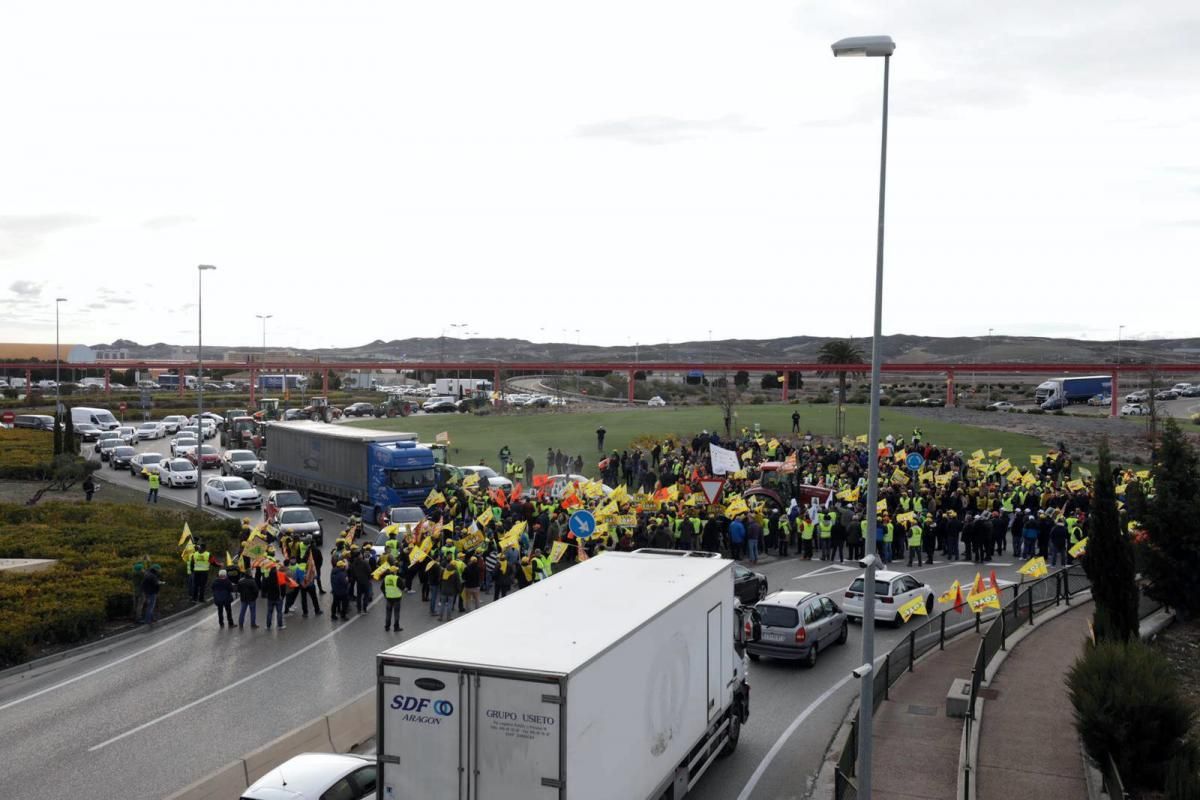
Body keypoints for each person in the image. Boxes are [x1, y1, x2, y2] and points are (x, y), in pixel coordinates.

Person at [382, 564, 404, 632]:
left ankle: (387, 627)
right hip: (396, 598)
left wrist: (385, 594)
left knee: (388, 613)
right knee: (396, 613)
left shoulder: (386, 578)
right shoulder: (397, 578)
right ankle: (396, 627)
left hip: (388, 598)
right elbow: (403, 587)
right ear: (394, 572)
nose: (397, 571)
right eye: (396, 570)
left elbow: (382, 587)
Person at [264, 565, 285, 630]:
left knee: (269, 612)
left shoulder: (267, 578)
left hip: (270, 598)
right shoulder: (280, 577)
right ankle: (280, 625)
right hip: (278, 597)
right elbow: (283, 587)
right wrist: (283, 596)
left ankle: (268, 626)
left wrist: (266, 594)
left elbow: (264, 588)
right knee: (279, 612)